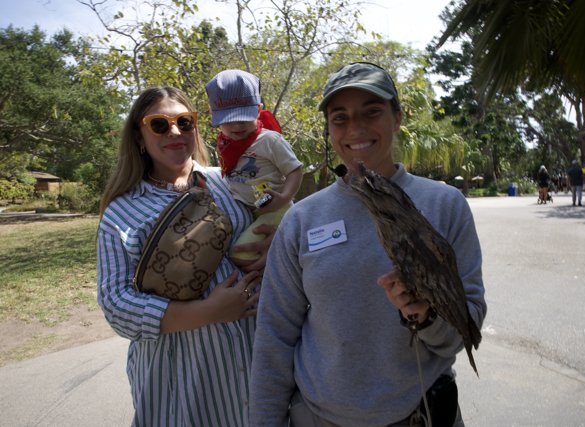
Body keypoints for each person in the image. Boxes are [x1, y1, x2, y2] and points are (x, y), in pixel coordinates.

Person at [249, 62, 487, 426]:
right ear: (329, 129)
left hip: (420, 415)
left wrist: (426, 316)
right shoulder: (302, 219)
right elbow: (274, 337)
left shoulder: (444, 205)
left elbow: (467, 325)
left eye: (371, 112)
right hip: (319, 417)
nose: (355, 129)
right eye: (339, 118)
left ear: (397, 118)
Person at [97, 86, 273, 426]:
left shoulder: (231, 182)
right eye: (160, 124)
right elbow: (117, 305)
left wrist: (273, 243)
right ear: (138, 136)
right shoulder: (121, 214)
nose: (175, 132)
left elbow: (273, 221)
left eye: (185, 122)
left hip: (254, 363)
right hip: (181, 379)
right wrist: (208, 312)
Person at [206, 69, 304, 267]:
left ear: (259, 109)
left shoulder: (269, 140)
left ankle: (259, 285)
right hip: (249, 210)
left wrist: (284, 198)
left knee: (239, 255)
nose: (236, 127)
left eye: (243, 118)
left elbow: (295, 170)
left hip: (274, 209)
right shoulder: (226, 144)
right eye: (229, 120)